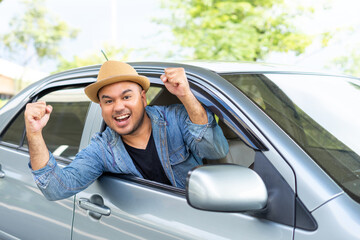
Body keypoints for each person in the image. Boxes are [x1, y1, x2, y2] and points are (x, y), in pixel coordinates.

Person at [25, 61, 229, 201]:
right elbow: (55, 188)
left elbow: (215, 150)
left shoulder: (175, 118)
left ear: (143, 98)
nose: (118, 107)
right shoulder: (102, 149)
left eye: (126, 97)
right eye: (108, 101)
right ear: (102, 108)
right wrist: (34, 133)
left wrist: (186, 95)